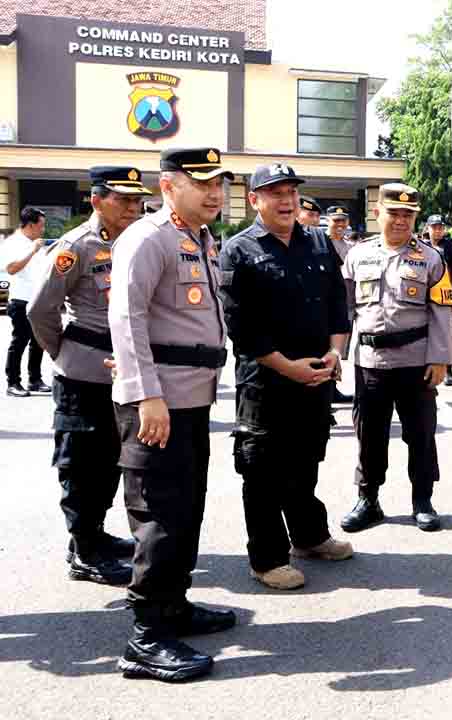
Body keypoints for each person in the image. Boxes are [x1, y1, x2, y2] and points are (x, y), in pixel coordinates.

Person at [108, 147, 237, 682]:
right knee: (158, 517)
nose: (215, 193)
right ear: (168, 186)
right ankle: (145, 637)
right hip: (157, 404)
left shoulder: (202, 239)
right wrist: (146, 395)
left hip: (191, 398)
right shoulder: (148, 238)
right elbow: (127, 316)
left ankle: (173, 607)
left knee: (187, 509)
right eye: (202, 182)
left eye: (220, 184)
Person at [218, 163, 354, 590]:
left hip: (316, 377)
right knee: (261, 472)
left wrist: (335, 352)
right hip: (266, 382)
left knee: (306, 460)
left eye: (291, 192)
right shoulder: (238, 250)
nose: (286, 200)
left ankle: (309, 537)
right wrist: (287, 366)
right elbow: (239, 326)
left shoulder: (317, 242)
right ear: (254, 199)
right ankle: (267, 558)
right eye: (274, 193)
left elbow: (337, 303)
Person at [26, 167, 148, 586]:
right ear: (96, 200)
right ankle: (83, 550)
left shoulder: (137, 241)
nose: (134, 207)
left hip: (123, 374)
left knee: (112, 460)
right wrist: (64, 352)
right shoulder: (75, 246)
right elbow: (40, 310)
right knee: (81, 463)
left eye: (137, 200)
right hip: (82, 374)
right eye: (123, 200)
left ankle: (94, 534)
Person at [341, 184, 452, 533]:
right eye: (395, 213)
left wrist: (440, 360)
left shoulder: (430, 258)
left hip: (416, 362)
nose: (402, 220)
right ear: (378, 213)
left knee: (420, 434)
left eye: (408, 214)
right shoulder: (357, 255)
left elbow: (442, 312)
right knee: (369, 435)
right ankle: (368, 499)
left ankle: (422, 499)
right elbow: (343, 310)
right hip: (370, 362)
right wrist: (335, 354)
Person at [3, 207, 50, 397]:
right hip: (20, 301)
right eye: (41, 225)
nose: (43, 229)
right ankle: (13, 383)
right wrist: (33, 250)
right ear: (30, 225)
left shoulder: (36, 243)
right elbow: (12, 269)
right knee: (19, 342)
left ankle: (35, 379)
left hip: (38, 301)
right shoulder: (13, 243)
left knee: (38, 342)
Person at [326, 206, 357, 404]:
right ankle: (324, 391)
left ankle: (333, 388)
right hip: (326, 304)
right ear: (328, 221)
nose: (340, 225)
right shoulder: (319, 244)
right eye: (336, 221)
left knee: (340, 350)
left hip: (346, 303)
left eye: (343, 221)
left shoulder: (351, 247)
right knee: (324, 347)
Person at [425, 214, 452, 385]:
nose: (438, 230)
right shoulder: (421, 246)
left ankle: (448, 370)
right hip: (425, 297)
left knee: (445, 333)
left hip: (445, 296)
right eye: (434, 227)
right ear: (428, 228)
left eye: (440, 227)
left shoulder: (450, 246)